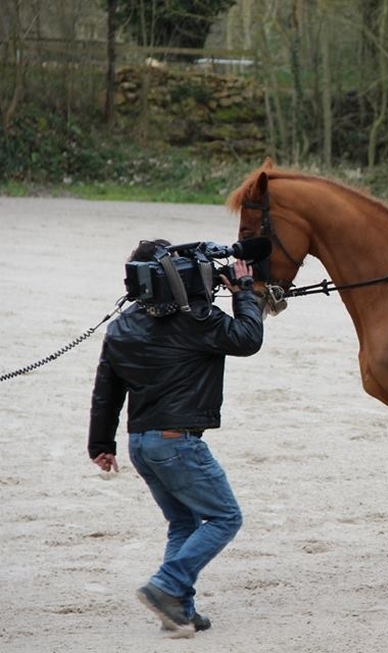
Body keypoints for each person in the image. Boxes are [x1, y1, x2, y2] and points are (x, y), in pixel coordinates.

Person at [88, 239, 263, 638]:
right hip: (176, 443)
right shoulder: (196, 320)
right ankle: (166, 586)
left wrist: (101, 445)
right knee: (224, 517)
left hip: (141, 446)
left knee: (183, 523)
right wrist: (245, 293)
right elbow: (247, 338)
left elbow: (106, 392)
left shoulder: (122, 326)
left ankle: (178, 610)